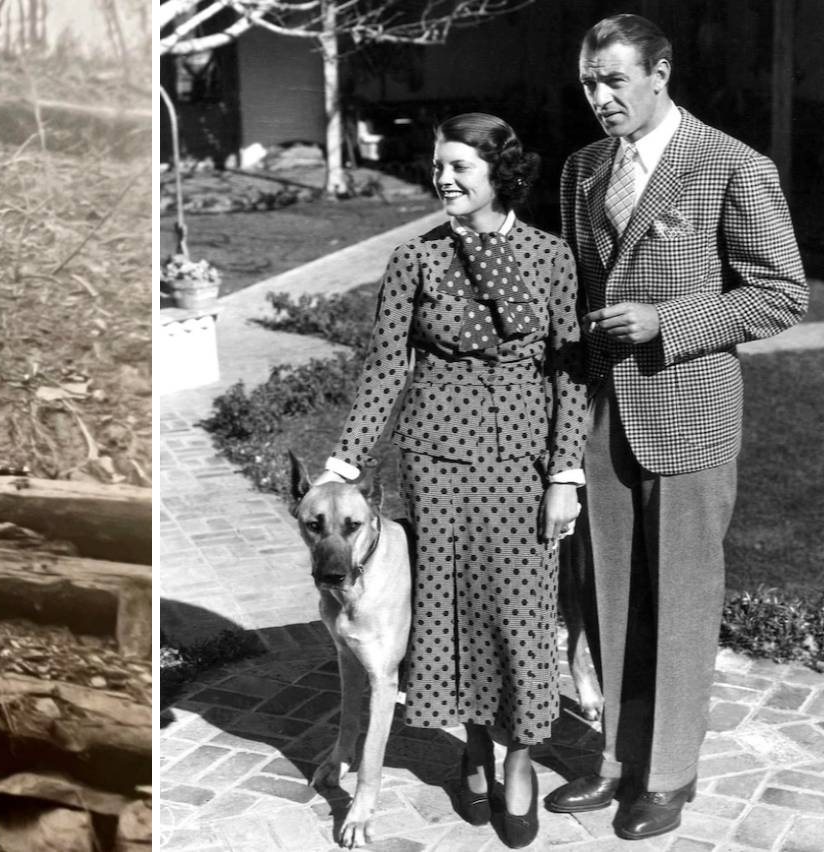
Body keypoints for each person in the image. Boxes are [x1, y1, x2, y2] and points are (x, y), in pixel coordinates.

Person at [545, 15, 808, 841]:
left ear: (659, 73)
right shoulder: (582, 169)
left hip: (689, 414)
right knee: (611, 593)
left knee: (683, 598)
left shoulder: (732, 165)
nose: (599, 98)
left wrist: (669, 320)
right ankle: (616, 763)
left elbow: (781, 294)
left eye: (615, 80)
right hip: (602, 415)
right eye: (590, 82)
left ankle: (668, 776)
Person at [316, 113, 589, 848]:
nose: (443, 178)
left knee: (522, 614)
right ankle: (473, 748)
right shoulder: (416, 258)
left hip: (523, 460)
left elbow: (571, 372)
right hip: (436, 460)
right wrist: (344, 461)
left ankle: (521, 755)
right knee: (451, 609)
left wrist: (566, 471)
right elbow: (386, 368)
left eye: (460, 166)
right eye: (438, 165)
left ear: (500, 171)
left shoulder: (550, 256)